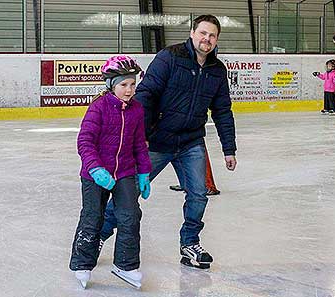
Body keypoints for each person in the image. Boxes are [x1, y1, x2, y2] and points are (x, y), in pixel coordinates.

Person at [101, 14, 237, 269]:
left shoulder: (217, 71)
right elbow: (146, 95)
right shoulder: (170, 57)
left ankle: (190, 244)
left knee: (198, 195)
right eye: (203, 33)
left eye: (212, 35)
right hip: (157, 142)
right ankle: (99, 236)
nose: (207, 39)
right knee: (128, 193)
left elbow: (222, 111)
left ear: (217, 39)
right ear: (192, 33)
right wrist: (140, 137)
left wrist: (228, 148)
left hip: (190, 142)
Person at [69, 55, 152, 289]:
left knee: (130, 215)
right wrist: (95, 168)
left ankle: (125, 265)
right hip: (95, 174)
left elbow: (138, 144)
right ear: (111, 85)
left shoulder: (136, 110)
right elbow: (85, 141)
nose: (129, 90)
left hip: (124, 172)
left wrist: (144, 173)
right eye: (123, 85)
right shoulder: (99, 107)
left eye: (133, 84)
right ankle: (82, 264)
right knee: (93, 217)